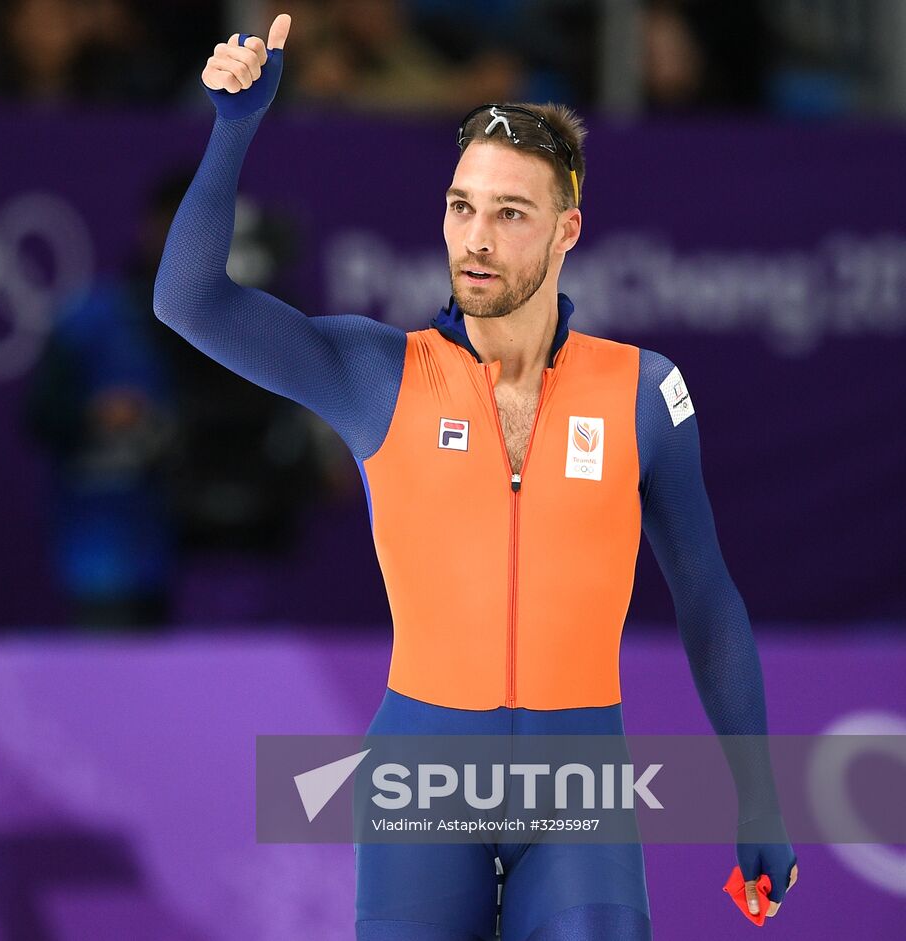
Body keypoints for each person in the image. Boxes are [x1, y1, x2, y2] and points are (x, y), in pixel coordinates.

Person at [152, 13, 800, 940]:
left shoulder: (645, 392)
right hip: (422, 785)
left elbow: (707, 600)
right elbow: (187, 299)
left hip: (577, 790)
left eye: (509, 213)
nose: (477, 239)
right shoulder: (377, 372)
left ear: (567, 228)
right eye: (462, 206)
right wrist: (233, 128)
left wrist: (759, 796)